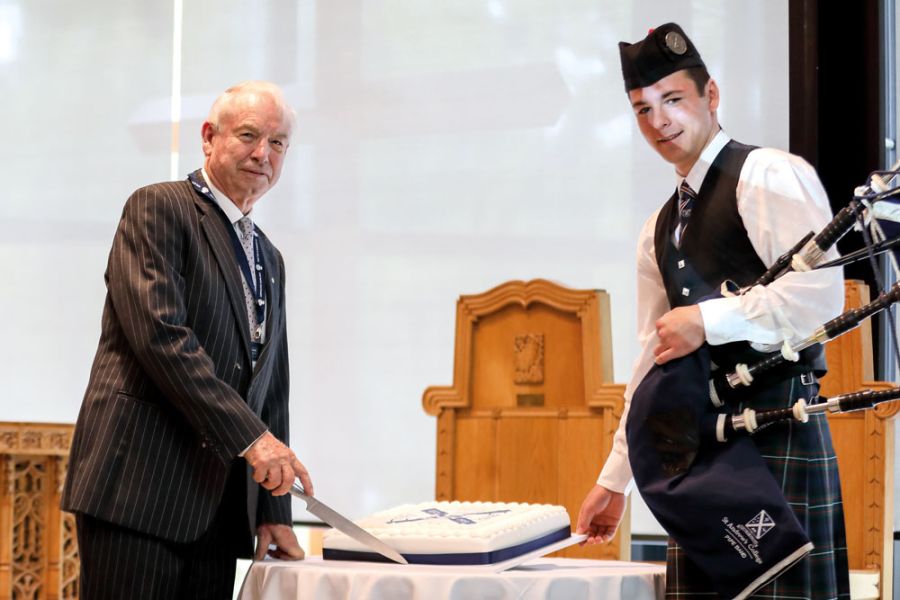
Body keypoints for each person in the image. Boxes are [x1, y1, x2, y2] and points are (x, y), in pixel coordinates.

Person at [576, 24, 851, 597]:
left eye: (673, 100)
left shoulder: (770, 174)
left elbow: (819, 295)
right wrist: (615, 479)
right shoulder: (657, 228)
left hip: (779, 443)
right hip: (701, 462)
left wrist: (708, 320)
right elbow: (656, 361)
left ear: (712, 96)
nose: (659, 122)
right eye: (643, 109)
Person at [62, 81, 313, 599]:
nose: (263, 153)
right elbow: (162, 337)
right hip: (137, 494)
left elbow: (271, 388)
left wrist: (273, 512)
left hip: (217, 511)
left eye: (279, 142)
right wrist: (253, 440)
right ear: (208, 138)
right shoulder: (158, 208)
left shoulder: (269, 257)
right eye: (249, 135)